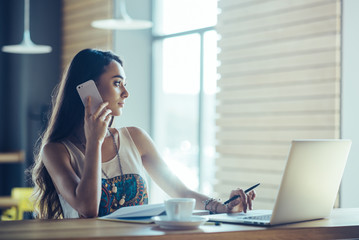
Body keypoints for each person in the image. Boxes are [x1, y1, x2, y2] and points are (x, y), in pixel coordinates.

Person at [30, 48, 256, 219]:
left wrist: (223, 208)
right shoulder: (56, 151)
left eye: (124, 84)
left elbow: (179, 190)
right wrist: (94, 141)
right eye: (117, 83)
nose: (126, 93)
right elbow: (88, 208)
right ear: (87, 89)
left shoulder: (135, 138)